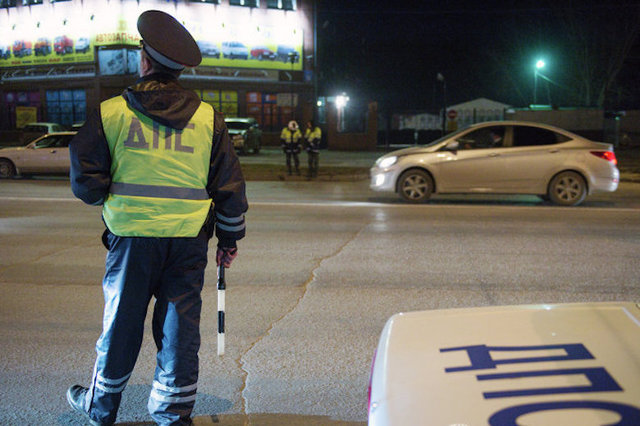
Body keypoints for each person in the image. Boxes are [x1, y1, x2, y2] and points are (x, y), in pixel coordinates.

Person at [66, 10, 247, 426]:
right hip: (187, 243)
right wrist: (229, 240)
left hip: (130, 240)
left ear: (144, 61)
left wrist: (107, 195)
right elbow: (230, 186)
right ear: (179, 70)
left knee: (121, 324)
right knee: (180, 329)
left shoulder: (112, 112)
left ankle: (101, 406)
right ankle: (172, 413)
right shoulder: (208, 118)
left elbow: (86, 182)